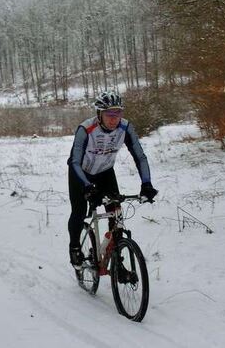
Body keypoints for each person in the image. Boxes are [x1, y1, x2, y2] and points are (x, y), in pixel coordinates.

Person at [67, 92, 158, 268]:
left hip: (105, 173)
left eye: (118, 113)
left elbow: (140, 157)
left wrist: (146, 183)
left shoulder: (125, 128)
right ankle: (75, 247)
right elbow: (74, 161)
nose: (114, 119)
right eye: (109, 114)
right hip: (81, 174)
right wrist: (87, 187)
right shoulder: (85, 129)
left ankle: (116, 259)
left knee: (116, 213)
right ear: (99, 114)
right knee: (79, 211)